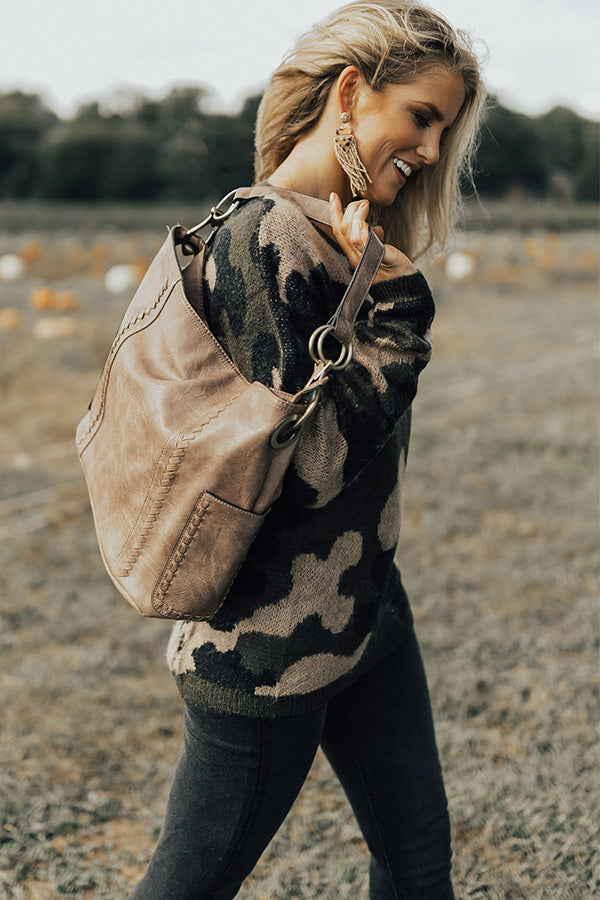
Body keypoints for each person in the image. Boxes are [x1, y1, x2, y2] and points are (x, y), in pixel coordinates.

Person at [127, 1, 484, 897]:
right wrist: (398, 315)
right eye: (423, 117)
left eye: (444, 129)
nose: (433, 151)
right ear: (352, 92)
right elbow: (316, 465)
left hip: (363, 613)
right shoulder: (266, 236)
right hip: (264, 653)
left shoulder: (340, 237)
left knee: (416, 865)